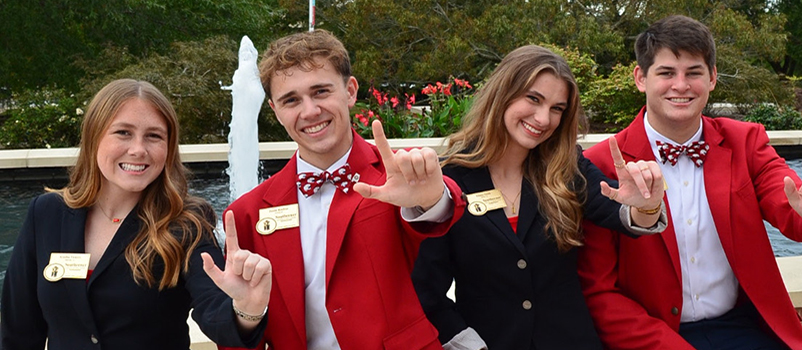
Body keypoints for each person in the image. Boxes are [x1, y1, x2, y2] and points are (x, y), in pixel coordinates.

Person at [578, 15, 802, 350]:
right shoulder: (602, 164)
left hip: (743, 329)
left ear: (712, 79)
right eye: (666, 73)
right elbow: (599, 292)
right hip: (653, 335)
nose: (681, 85)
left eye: (694, 72)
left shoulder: (746, 141)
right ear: (640, 78)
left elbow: (788, 198)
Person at [219, 29, 466, 350]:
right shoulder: (247, 213)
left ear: (350, 91)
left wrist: (432, 198)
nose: (309, 111)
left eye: (320, 91)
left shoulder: (396, 178)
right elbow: (241, 334)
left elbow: (441, 208)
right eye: (291, 100)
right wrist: (245, 314)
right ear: (276, 111)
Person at [411, 45, 668, 350]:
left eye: (557, 108)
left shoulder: (567, 168)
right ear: (503, 93)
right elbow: (427, 292)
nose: (544, 119)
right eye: (533, 99)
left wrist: (647, 205)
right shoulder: (448, 179)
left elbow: (623, 214)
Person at [1, 79, 273, 350]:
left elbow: (215, 310)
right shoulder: (47, 213)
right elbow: (19, 330)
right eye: (123, 133)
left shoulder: (187, 223)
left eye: (154, 136)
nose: (138, 150)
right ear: (94, 136)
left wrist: (246, 310)